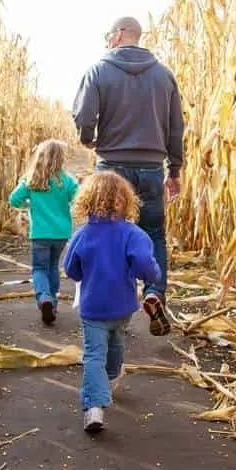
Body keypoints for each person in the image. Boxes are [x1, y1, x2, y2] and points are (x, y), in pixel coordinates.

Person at [72, 16, 184, 336]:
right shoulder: (164, 76)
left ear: (119, 35)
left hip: (110, 168)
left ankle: (109, 309)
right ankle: (154, 291)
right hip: (151, 168)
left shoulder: (98, 71)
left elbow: (83, 114)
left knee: (106, 234)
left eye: (108, 35)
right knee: (153, 233)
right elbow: (176, 127)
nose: (106, 41)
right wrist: (174, 170)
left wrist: (87, 137)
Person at [63, 171, 161, 432]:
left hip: (93, 306)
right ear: (125, 201)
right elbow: (145, 265)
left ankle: (94, 406)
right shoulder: (133, 233)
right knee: (116, 343)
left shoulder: (82, 235)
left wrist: (86, 270)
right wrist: (152, 276)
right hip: (123, 306)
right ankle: (105, 382)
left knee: (94, 353)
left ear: (88, 201)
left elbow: (71, 270)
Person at [8, 140, 79, 325]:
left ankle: (44, 298)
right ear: (61, 158)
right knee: (53, 266)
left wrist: (29, 204)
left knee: (40, 268)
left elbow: (14, 200)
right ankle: (53, 303)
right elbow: (79, 199)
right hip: (61, 233)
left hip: (40, 233)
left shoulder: (31, 180)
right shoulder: (67, 180)